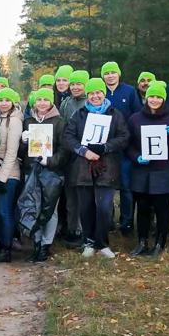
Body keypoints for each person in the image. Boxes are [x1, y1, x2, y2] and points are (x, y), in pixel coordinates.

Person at [63, 78, 129, 259]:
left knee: (104, 207)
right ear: (87, 95)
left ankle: (102, 242)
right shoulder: (79, 115)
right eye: (91, 93)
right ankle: (89, 242)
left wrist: (106, 147)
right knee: (86, 207)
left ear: (104, 94)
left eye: (98, 92)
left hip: (107, 167)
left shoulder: (115, 114)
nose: (95, 96)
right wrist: (83, 151)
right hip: (83, 167)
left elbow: (124, 137)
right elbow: (68, 137)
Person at [127, 81, 169, 257]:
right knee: (142, 207)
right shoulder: (135, 119)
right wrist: (136, 157)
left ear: (164, 99)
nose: (154, 100)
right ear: (146, 98)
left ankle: (160, 242)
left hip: (163, 170)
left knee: (162, 208)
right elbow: (128, 145)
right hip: (142, 170)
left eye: (159, 97)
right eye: (152, 96)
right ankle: (142, 241)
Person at [19, 87, 66, 261]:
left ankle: (47, 244)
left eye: (46, 100)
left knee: (50, 209)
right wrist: (23, 141)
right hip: (32, 170)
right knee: (33, 206)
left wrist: (51, 161)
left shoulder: (59, 122)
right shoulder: (28, 121)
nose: (42, 103)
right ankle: (37, 243)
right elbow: (22, 152)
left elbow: (64, 149)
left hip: (51, 172)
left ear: (51, 102)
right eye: (39, 100)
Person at [101, 61, 139, 235]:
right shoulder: (99, 92)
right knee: (106, 185)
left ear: (119, 74)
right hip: (104, 147)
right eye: (107, 73)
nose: (110, 75)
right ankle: (107, 221)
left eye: (113, 72)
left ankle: (127, 223)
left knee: (126, 187)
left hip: (124, 146)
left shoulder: (129, 91)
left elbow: (137, 114)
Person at [58, 70, 89, 247]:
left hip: (86, 155)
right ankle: (72, 230)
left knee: (84, 194)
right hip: (69, 153)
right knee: (70, 195)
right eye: (73, 84)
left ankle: (84, 229)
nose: (76, 87)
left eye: (79, 84)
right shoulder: (66, 103)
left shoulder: (89, 102)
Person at [0, 87, 23, 261]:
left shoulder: (15, 121)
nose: (3, 103)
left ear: (12, 102)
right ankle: (2, 244)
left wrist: (3, 177)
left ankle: (6, 249)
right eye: (1, 100)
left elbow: (12, 152)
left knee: (5, 211)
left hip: (9, 173)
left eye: (7, 100)